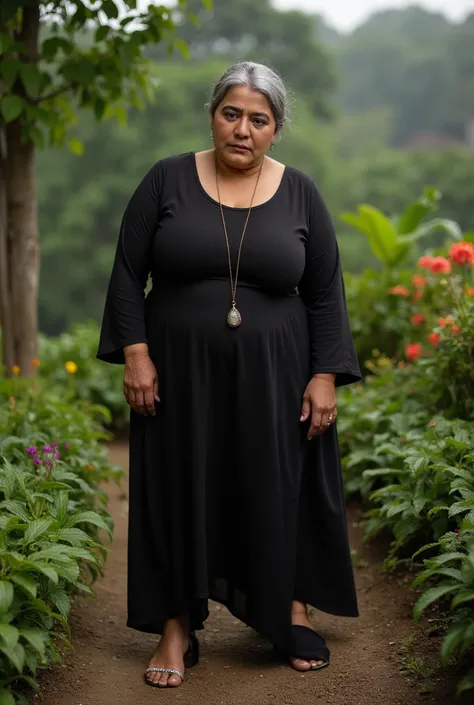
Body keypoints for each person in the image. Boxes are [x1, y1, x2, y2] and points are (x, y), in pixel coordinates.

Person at [97, 61, 361, 689]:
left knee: (277, 483)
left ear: (276, 130)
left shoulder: (300, 192)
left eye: (258, 119)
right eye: (231, 113)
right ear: (213, 115)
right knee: (178, 486)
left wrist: (324, 374)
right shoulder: (165, 180)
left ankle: (287, 609)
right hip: (177, 375)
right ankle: (176, 625)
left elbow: (325, 291)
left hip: (277, 374)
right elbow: (128, 274)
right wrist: (136, 354)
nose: (243, 129)